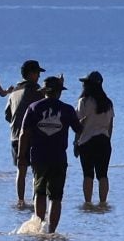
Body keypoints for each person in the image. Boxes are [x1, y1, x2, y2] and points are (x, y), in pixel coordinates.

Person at [19, 77, 80, 231]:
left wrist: (21, 155)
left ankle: (39, 228)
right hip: (58, 157)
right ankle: (51, 231)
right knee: (56, 197)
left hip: (38, 157)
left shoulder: (33, 107)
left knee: (39, 192)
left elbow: (23, 133)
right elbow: (79, 130)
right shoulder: (67, 109)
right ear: (59, 92)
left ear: (44, 92)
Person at [0, 60, 45, 206]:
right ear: (31, 74)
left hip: (15, 136)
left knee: (21, 169)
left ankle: (20, 200)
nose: (39, 76)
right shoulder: (37, 90)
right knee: (36, 170)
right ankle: (35, 200)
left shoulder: (14, 91)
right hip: (32, 136)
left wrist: (16, 123)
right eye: (37, 73)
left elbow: (7, 114)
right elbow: (45, 109)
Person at [76, 73, 116, 208]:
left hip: (86, 141)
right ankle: (103, 203)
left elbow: (78, 124)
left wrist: (76, 142)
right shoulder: (108, 102)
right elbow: (110, 125)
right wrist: (108, 140)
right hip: (104, 141)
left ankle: (87, 203)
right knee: (103, 174)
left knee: (88, 175)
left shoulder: (84, 102)